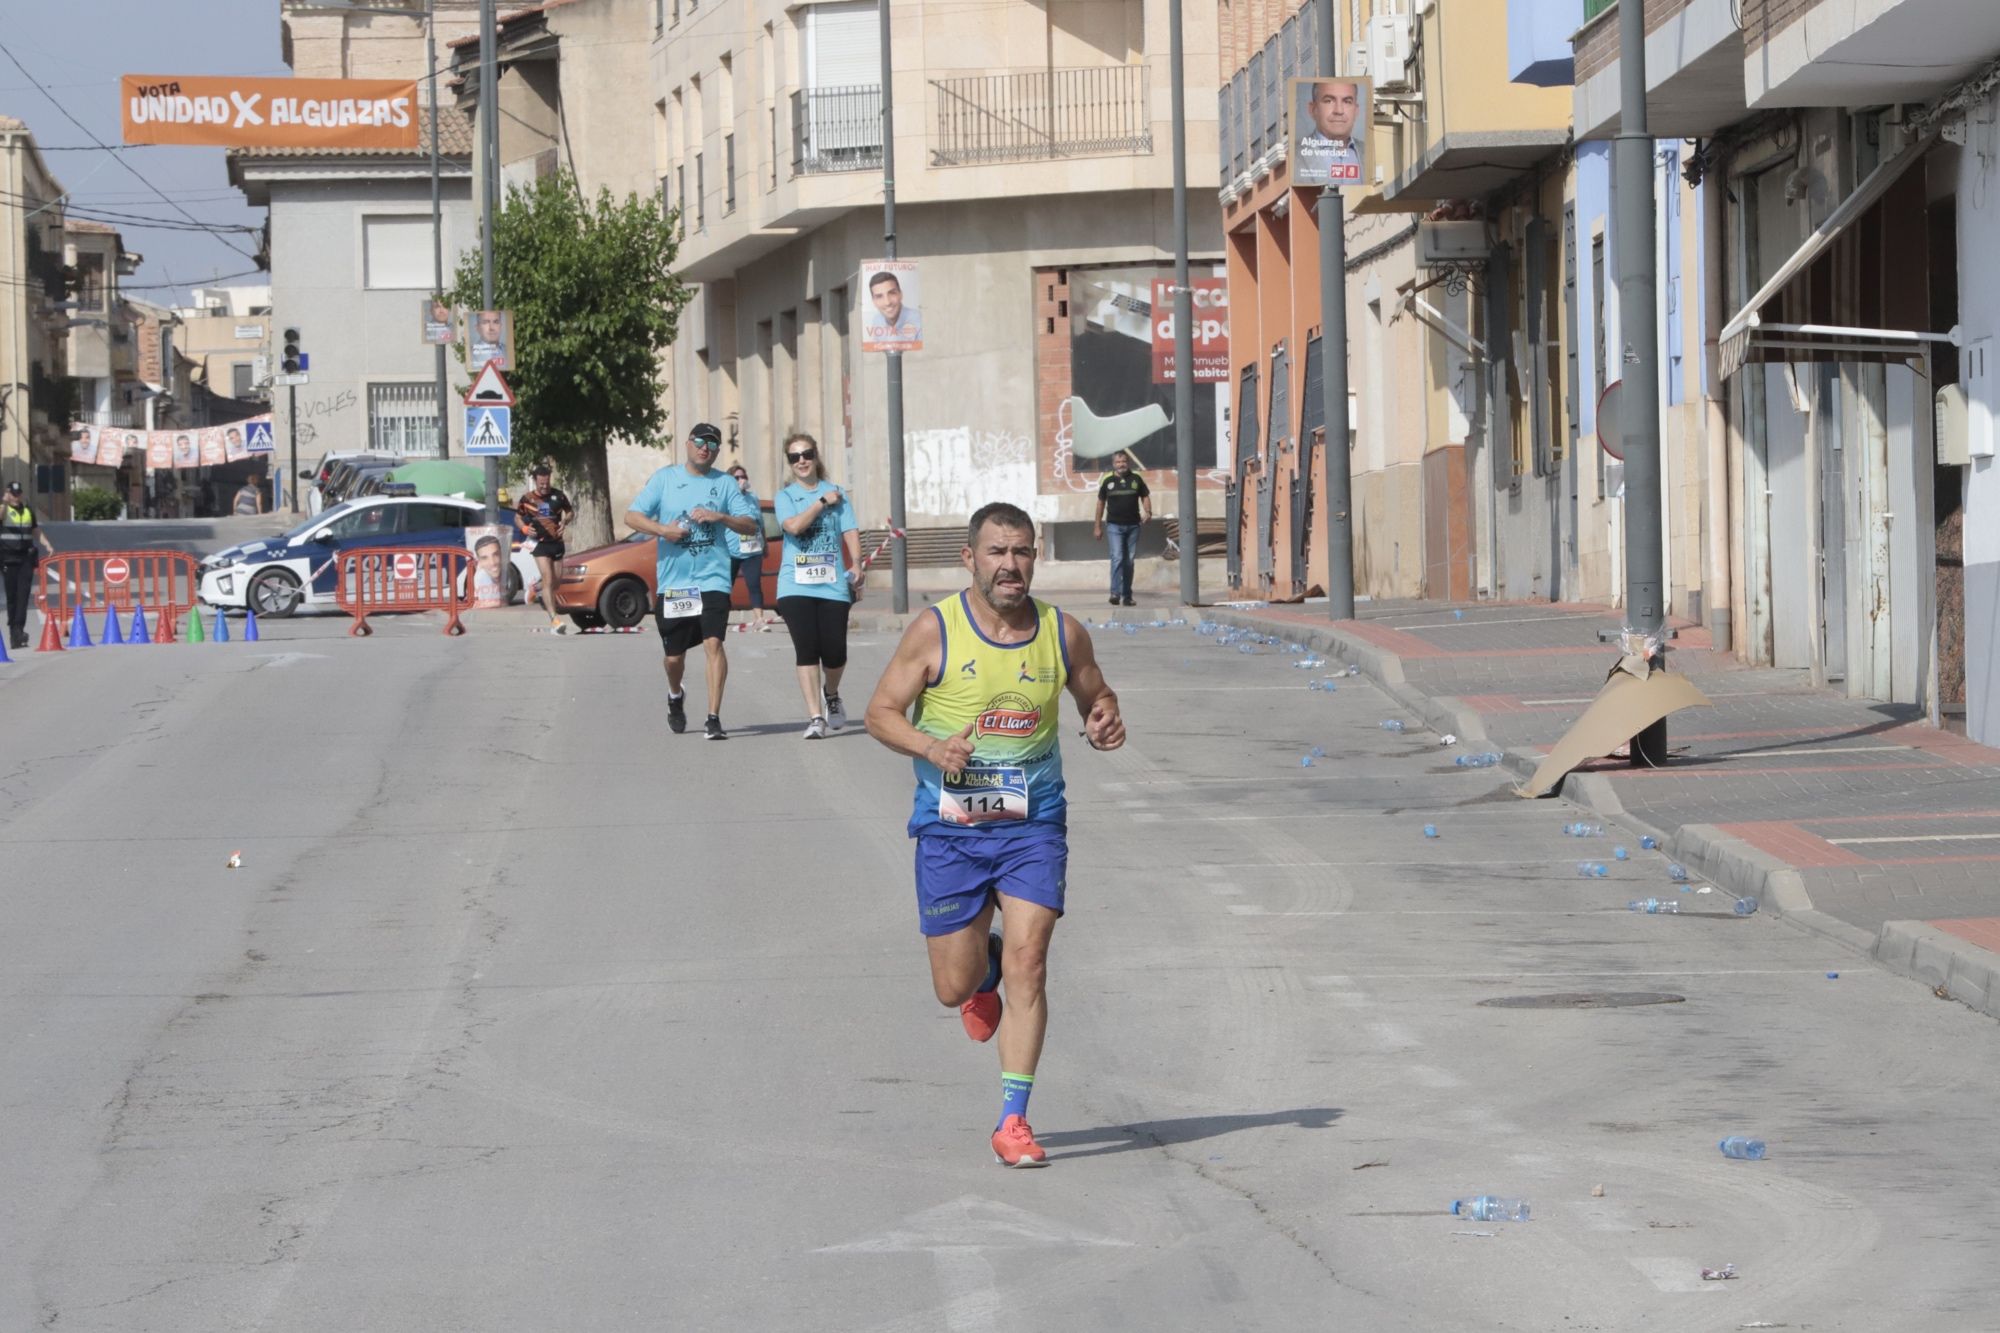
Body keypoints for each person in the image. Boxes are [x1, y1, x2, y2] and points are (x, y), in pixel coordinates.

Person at [863, 502, 1125, 1167]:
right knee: (954, 987)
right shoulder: (935, 630)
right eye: (997, 552)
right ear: (970, 558)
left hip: (1033, 824)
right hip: (951, 831)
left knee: (1030, 963)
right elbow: (879, 712)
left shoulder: (1061, 634)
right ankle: (981, 970)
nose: (1011, 565)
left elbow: (1096, 694)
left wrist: (1104, 720)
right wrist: (929, 744)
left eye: (1023, 552)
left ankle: (1014, 1119)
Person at [623, 422, 759, 739]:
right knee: (674, 658)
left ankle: (713, 718)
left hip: (713, 579)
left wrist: (720, 517)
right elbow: (632, 516)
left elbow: (751, 525)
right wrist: (663, 530)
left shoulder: (725, 484)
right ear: (688, 443)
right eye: (700, 441)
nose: (705, 447)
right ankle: (675, 695)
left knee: (714, 643)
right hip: (675, 584)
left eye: (712, 444)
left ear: (717, 451)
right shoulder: (665, 479)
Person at [774, 432, 862, 739]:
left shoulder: (837, 493)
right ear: (789, 463)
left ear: (816, 456)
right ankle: (815, 717)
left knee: (835, 652)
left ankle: (832, 693)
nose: (801, 461)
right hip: (794, 585)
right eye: (794, 457)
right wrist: (820, 502)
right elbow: (794, 527)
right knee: (807, 650)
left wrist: (857, 563)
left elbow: (850, 529)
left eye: (806, 454)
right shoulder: (785, 497)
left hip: (831, 583)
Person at [516, 462, 574, 632]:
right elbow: (517, 518)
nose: (544, 486)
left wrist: (565, 521)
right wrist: (524, 528)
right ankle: (554, 619)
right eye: (541, 483)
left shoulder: (559, 496)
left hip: (556, 541)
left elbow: (570, 512)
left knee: (556, 580)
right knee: (548, 577)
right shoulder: (527, 499)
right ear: (535, 481)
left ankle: (536, 588)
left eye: (547, 482)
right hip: (539, 543)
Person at [0, 481, 55, 650]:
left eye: (18, 494)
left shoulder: (27, 510)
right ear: (8, 493)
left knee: (23, 596)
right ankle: (13, 632)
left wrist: (47, 544)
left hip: (25, 558)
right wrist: (4, 501)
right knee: (12, 597)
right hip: (8, 558)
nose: (16, 497)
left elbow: (35, 530)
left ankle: (19, 631)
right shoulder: (4, 509)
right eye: (13, 494)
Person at [1093, 450, 1152, 607]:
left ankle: (1127, 596)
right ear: (1113, 464)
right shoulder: (1107, 481)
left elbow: (1145, 496)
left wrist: (1148, 511)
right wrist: (1097, 526)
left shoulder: (1136, 479)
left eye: (1124, 461)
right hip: (1114, 526)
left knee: (1129, 561)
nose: (1121, 464)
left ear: (1128, 463)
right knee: (1117, 557)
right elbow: (1100, 504)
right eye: (1118, 462)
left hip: (1133, 526)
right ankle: (1115, 593)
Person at [725, 464, 775, 631]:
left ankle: (759, 619)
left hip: (752, 548)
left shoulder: (752, 497)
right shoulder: (726, 497)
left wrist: (765, 544)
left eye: (743, 476)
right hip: (731, 549)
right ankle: (719, 617)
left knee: (754, 584)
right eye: (736, 478)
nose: (741, 480)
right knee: (725, 585)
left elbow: (759, 521)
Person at [1295, 80, 1364, 186]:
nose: (1339, 110)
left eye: (1347, 102)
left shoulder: (1368, 151)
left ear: (1356, 111)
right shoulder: (1295, 154)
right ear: (1313, 109)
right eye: (1329, 101)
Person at [867, 270, 921, 343]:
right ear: (874, 302)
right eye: (879, 296)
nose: (887, 302)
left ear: (900, 294)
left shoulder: (918, 320)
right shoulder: (877, 320)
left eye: (892, 293)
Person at [472, 533, 510, 606]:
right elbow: (496, 603)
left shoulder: (504, 573)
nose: (492, 562)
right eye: (485, 558)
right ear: (479, 561)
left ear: (502, 554)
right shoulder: (481, 576)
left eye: (495, 555)